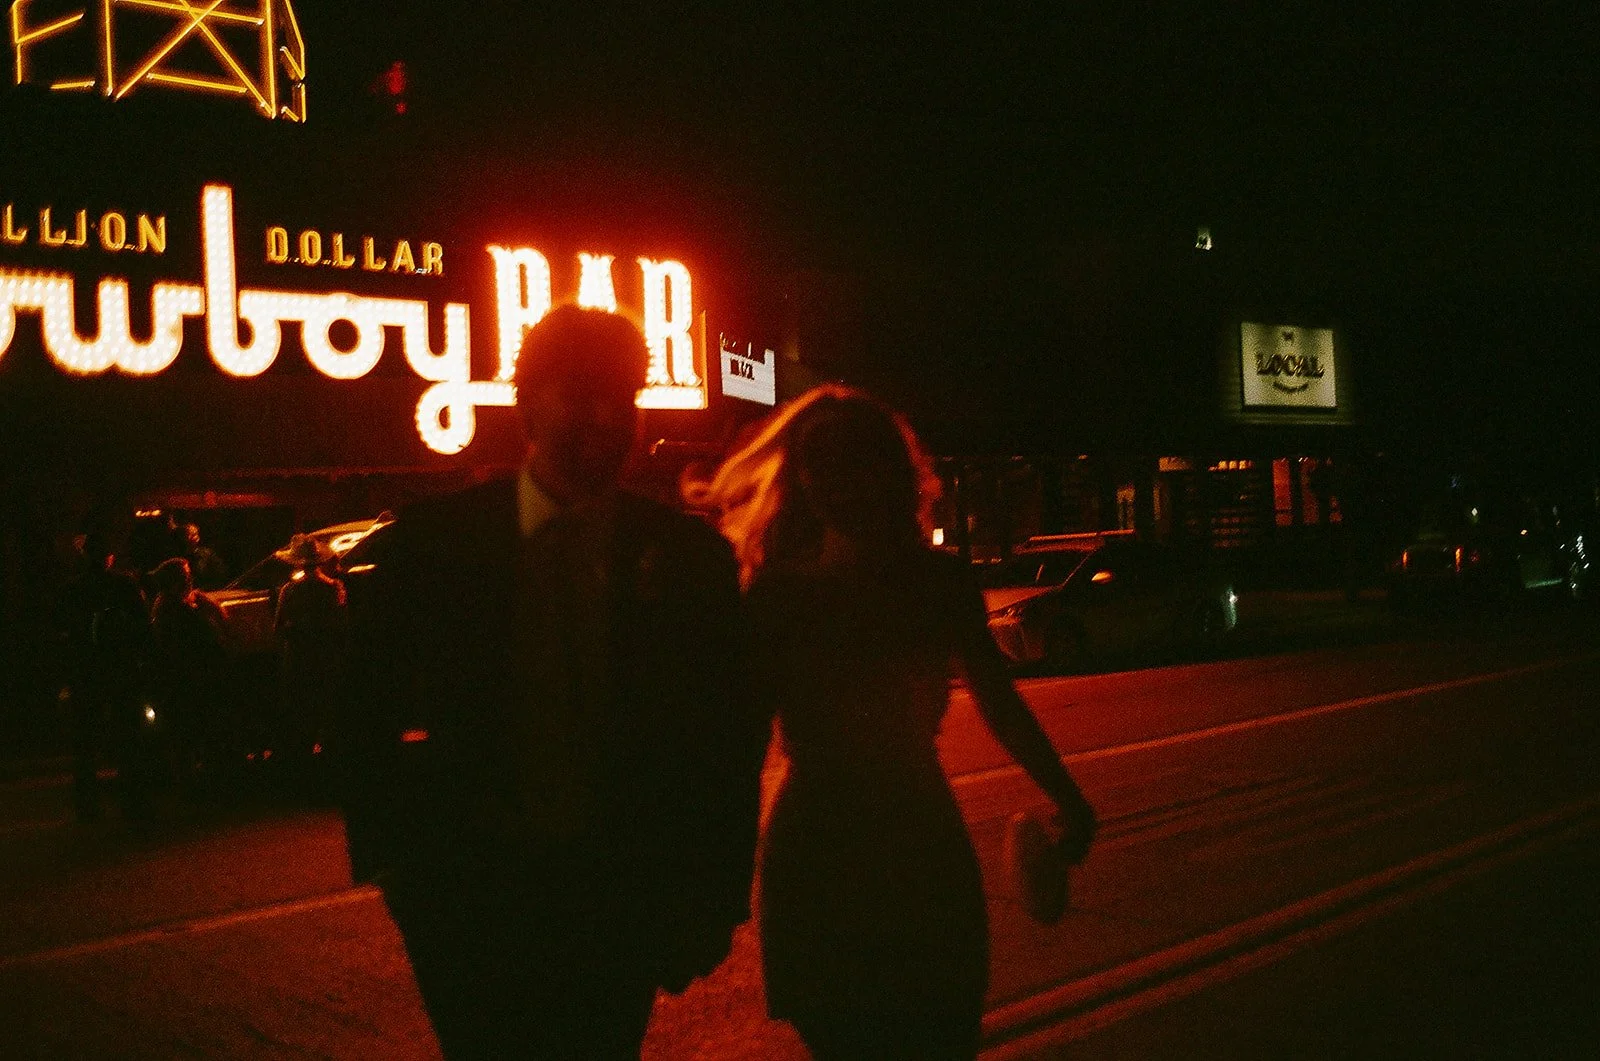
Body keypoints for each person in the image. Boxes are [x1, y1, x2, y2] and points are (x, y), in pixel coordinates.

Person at [337, 305, 766, 1059]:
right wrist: (400, 870)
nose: (608, 414)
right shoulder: (434, 546)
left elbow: (730, 734)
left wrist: (714, 899)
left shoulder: (688, 558)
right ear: (525, 401)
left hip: (618, 905)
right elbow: (357, 708)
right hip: (471, 905)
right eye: (584, 390)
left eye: (624, 394)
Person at [698, 385, 1098, 1061]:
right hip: (820, 856)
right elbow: (737, 748)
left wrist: (1069, 796)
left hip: (917, 843)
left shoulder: (940, 583)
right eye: (820, 464)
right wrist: (716, 882)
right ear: (800, 479)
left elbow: (1000, 703)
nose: (837, 481)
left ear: (893, 472)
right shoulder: (775, 595)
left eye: (857, 462)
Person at [59, 532, 149, 822]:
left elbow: (63, 631)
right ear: (109, 556)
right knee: (127, 736)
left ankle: (87, 806)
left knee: (85, 741)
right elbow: (141, 626)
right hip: (120, 668)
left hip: (85, 669)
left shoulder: (74, 588)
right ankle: (132, 802)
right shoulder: (124, 584)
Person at [148, 557, 227, 796]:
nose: (190, 579)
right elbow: (210, 631)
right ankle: (191, 787)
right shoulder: (176, 610)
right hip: (185, 677)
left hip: (179, 677)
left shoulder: (168, 604)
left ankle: (188, 782)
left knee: (185, 732)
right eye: (185, 575)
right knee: (188, 731)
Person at [273, 534, 347, 792]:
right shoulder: (334, 588)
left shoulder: (289, 591)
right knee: (327, 715)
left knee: (302, 716)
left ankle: (302, 778)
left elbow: (279, 628)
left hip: (298, 660)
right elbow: (339, 626)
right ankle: (329, 774)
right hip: (326, 659)